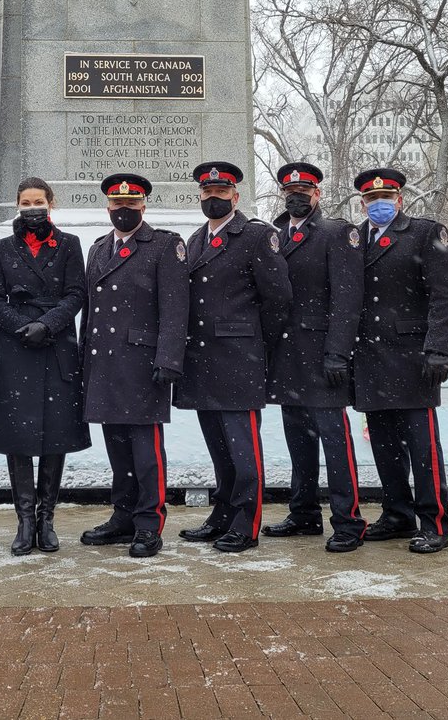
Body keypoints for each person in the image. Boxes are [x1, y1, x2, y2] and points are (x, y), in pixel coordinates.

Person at [173, 161, 291, 554]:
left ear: (235, 197)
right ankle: (222, 514)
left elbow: (278, 299)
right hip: (202, 361)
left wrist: (253, 343)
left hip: (239, 359)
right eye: (208, 193)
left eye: (221, 193)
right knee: (219, 448)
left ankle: (246, 522)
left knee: (243, 450)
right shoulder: (195, 240)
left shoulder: (256, 236)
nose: (214, 199)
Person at [80, 173, 189, 558]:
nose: (123, 209)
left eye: (131, 203)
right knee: (117, 447)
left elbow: (175, 307)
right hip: (104, 363)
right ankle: (123, 515)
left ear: (143, 205)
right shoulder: (98, 248)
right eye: (117, 203)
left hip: (143, 365)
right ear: (107, 206)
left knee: (146, 452)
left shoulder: (164, 245)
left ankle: (148, 522)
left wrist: (169, 358)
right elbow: (91, 312)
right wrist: (84, 360)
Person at [261, 162, 367, 552]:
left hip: (323, 357)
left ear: (317, 194)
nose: (296, 197)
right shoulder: (275, 236)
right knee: (299, 440)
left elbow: (347, 298)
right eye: (290, 192)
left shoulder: (336, 233)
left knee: (335, 441)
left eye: (304, 192)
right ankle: (304, 513)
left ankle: (348, 520)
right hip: (287, 356)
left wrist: (338, 352)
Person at [352, 168, 448, 554]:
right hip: (369, 358)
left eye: (386, 197)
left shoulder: (426, 233)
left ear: (399, 200)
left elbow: (444, 295)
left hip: (413, 358)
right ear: (362, 203)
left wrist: (439, 348)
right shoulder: (355, 238)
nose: (378, 204)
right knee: (384, 445)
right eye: (371, 199)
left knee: (422, 447)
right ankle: (397, 513)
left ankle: (435, 522)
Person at [0, 177, 89, 555]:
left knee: (55, 436)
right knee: (18, 438)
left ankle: (46, 519)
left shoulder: (68, 244)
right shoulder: (2, 248)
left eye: (38, 202)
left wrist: (47, 324)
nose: (32, 208)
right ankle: (24, 520)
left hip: (56, 346)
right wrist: (20, 326)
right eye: (26, 203)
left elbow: (76, 293)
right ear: (17, 205)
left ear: (50, 203)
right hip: (16, 349)